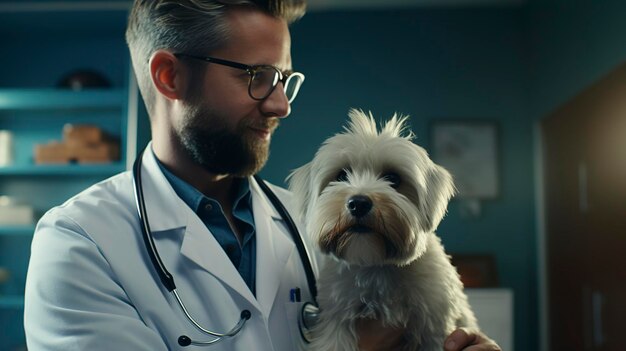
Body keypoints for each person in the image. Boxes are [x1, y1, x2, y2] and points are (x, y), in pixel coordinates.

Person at [24, 1, 502, 350]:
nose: (280, 104)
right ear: (170, 77)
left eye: (284, 78)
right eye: (256, 76)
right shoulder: (78, 244)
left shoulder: (307, 218)